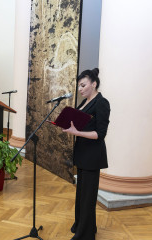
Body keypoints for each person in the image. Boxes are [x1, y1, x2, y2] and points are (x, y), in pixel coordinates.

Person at [62, 68, 110, 240]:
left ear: (94, 83)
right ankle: (83, 226)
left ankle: (86, 234)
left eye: (83, 85)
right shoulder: (83, 103)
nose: (80, 89)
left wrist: (77, 133)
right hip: (82, 153)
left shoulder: (101, 103)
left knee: (88, 197)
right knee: (82, 194)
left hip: (93, 156)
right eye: (79, 86)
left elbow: (100, 134)